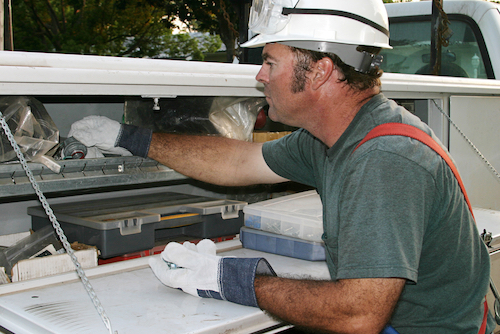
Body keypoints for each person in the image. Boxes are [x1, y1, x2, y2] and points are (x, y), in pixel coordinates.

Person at [68, 0, 495, 333]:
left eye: (271, 61)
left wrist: (226, 278)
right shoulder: (334, 136)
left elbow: (357, 316)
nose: (260, 75)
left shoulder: (383, 160)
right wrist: (130, 138)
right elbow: (239, 161)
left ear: (320, 72)